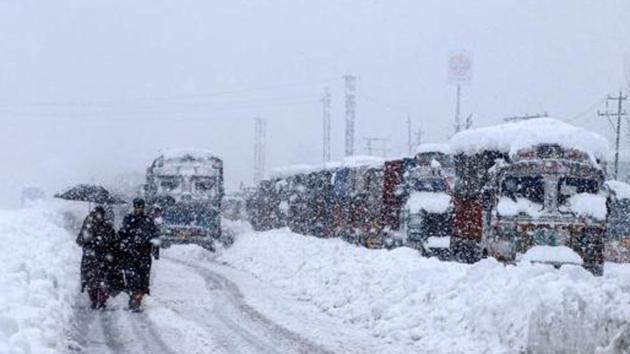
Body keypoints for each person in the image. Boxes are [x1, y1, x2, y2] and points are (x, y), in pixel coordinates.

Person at [118, 198, 160, 312]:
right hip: (130, 255)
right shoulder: (128, 219)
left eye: (141, 207)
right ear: (134, 207)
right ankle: (134, 300)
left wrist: (155, 251)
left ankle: (139, 300)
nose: (139, 209)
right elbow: (123, 234)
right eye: (137, 207)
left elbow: (155, 236)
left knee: (143, 280)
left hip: (144, 255)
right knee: (132, 279)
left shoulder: (148, 221)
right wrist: (123, 245)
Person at [76, 206, 119, 310]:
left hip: (103, 258)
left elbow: (113, 241)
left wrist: (105, 243)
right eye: (97, 215)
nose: (99, 217)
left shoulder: (107, 226)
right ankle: (94, 300)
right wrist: (90, 241)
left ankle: (102, 301)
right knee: (92, 281)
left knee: (104, 281)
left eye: (100, 215)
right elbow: (80, 240)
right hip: (91, 258)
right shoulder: (88, 225)